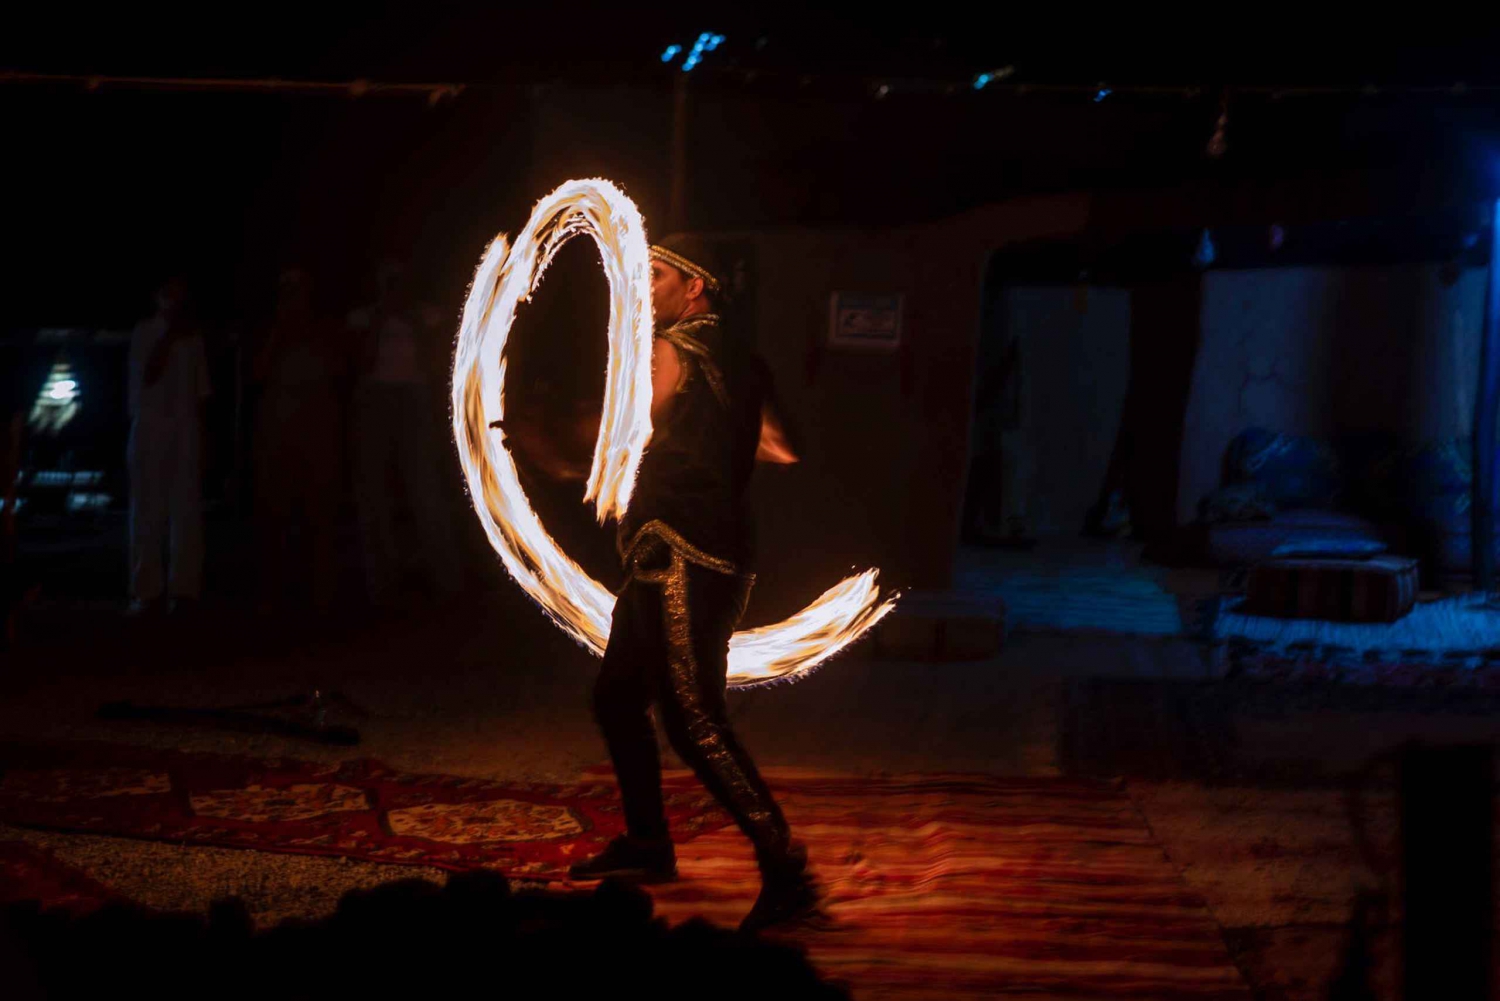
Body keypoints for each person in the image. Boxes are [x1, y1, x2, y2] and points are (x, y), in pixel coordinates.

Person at [556, 236, 816, 934]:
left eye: (659, 276)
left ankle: (785, 864)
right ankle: (647, 843)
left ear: (695, 288)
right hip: (691, 547)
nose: (645, 288)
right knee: (616, 697)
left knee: (692, 718)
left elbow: (626, 423)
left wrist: (557, 437)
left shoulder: (673, 349)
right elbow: (779, 443)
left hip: (682, 553)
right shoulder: (742, 359)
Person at [348, 261, 461, 607]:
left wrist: (412, 323)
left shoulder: (427, 316)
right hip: (376, 399)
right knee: (374, 491)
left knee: (424, 489)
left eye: (400, 283)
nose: (395, 290)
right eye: (389, 283)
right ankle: (381, 584)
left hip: (414, 399)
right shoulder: (364, 318)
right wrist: (381, 320)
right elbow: (361, 364)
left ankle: (447, 580)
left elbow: (435, 363)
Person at [251, 269, 344, 611]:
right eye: (287, 289)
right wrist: (279, 333)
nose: (293, 296)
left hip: (317, 424)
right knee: (277, 508)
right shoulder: (271, 330)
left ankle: (322, 592)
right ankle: (276, 590)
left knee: (319, 509)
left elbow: (338, 368)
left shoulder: (322, 328)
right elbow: (257, 373)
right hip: (279, 424)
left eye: (298, 289)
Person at [126, 276, 211, 615]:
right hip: (150, 430)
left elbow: (202, 392)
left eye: (180, 292)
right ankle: (147, 590)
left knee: (186, 512)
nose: (174, 300)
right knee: (148, 510)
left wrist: (204, 437)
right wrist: (172, 335)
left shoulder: (194, 338)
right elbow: (148, 374)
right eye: (168, 293)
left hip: (185, 432)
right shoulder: (144, 331)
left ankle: (184, 590)